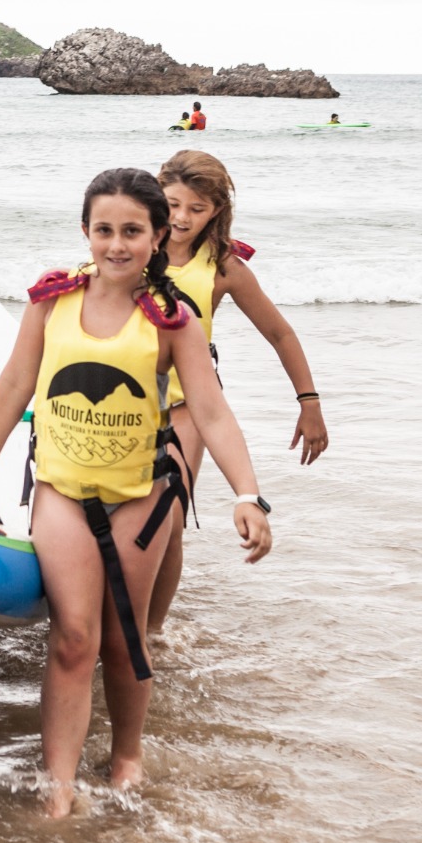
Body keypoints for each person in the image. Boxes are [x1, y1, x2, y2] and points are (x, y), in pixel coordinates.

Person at [0, 167, 272, 818]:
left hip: (140, 496)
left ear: (158, 235)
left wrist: (248, 493)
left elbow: (211, 413)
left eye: (132, 231)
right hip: (62, 492)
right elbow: (15, 384)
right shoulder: (52, 300)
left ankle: (127, 754)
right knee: (74, 638)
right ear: (86, 231)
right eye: (104, 230)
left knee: (124, 638)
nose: (117, 244)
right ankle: (60, 784)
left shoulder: (172, 319)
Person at [147, 149, 325, 632]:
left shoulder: (223, 267)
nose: (182, 218)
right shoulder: (132, 247)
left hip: (189, 403)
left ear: (217, 211)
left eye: (197, 208)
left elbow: (280, 333)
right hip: (129, 398)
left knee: (168, 518)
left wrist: (309, 402)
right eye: (173, 204)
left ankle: (152, 631)